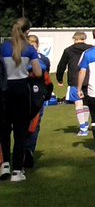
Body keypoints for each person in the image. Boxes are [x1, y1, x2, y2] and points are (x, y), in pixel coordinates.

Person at [2, 18, 45, 182]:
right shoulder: (29, 49)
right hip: (21, 90)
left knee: (4, 130)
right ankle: (17, 171)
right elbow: (38, 72)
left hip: (4, 90)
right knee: (20, 132)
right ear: (27, 31)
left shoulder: (3, 47)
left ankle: (4, 164)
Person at [23, 34, 53, 170]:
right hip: (37, 96)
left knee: (19, 125)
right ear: (38, 45)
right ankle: (29, 150)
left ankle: (18, 152)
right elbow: (47, 79)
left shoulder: (19, 56)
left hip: (20, 92)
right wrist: (46, 95)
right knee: (34, 125)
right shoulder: (44, 59)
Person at [56, 31, 93, 137]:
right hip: (89, 78)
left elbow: (61, 65)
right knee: (86, 103)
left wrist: (59, 78)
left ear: (74, 39)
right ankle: (85, 125)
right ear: (84, 38)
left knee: (78, 103)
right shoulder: (90, 49)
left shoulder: (68, 50)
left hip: (75, 80)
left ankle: (83, 128)